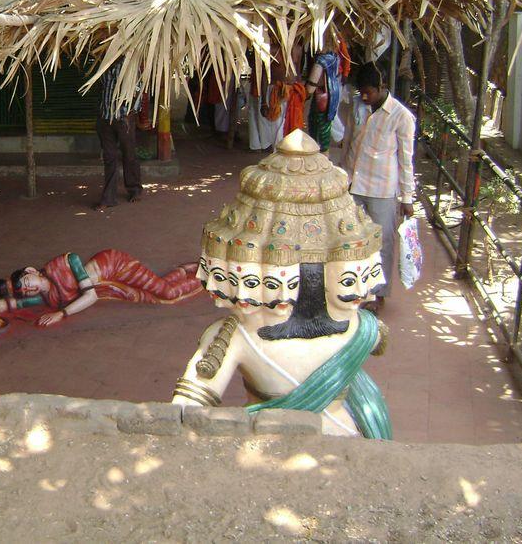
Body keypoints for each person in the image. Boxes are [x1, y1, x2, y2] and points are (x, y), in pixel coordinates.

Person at [171, 131, 391, 438]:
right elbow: (191, 401)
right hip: (324, 442)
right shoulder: (362, 328)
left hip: (310, 444)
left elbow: (184, 411)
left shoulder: (360, 328)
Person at [0, 249, 201, 336]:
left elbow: (90, 296)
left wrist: (61, 314)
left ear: (33, 270)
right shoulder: (44, 295)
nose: (28, 287)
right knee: (153, 294)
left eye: (27, 280)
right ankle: (182, 269)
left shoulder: (67, 261)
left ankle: (206, 276)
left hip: (115, 265)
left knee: (165, 294)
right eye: (23, 289)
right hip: (108, 282)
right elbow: (6, 307)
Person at [347, 61, 416, 315]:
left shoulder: (401, 117)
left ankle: (379, 294)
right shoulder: (359, 107)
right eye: (361, 92)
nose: (365, 97)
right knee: (352, 239)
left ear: (381, 87)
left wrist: (407, 197)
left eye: (369, 92)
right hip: (354, 185)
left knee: (383, 242)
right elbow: (350, 146)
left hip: (382, 190)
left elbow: (406, 160)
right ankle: (353, 286)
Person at [95, 59, 143, 210]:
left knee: (129, 155)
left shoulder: (130, 66)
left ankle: (134, 189)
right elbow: (102, 88)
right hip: (105, 118)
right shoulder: (103, 65)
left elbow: (138, 91)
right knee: (109, 157)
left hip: (123, 119)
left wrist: (130, 113)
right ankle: (108, 198)